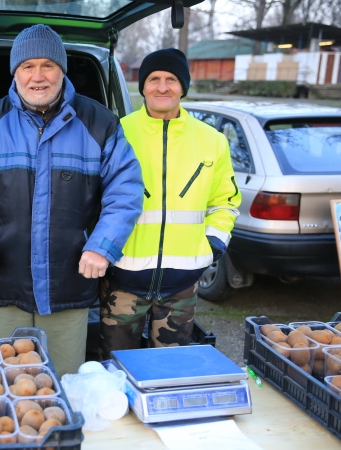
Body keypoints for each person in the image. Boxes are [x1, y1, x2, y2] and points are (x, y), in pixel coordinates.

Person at [0, 24, 143, 377]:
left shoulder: (99, 123)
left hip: (70, 283)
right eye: (27, 66)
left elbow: (125, 189)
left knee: (62, 382)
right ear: (15, 72)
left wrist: (102, 246)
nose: (38, 76)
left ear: (62, 70)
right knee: (0, 382)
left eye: (47, 65)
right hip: (4, 281)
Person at [99, 48, 242, 356]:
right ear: (143, 86)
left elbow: (225, 203)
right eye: (153, 79)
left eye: (171, 79)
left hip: (182, 286)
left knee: (169, 370)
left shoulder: (212, 140)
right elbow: (94, 197)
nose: (162, 87)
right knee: (116, 368)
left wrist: (212, 245)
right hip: (122, 280)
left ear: (183, 87)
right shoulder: (116, 133)